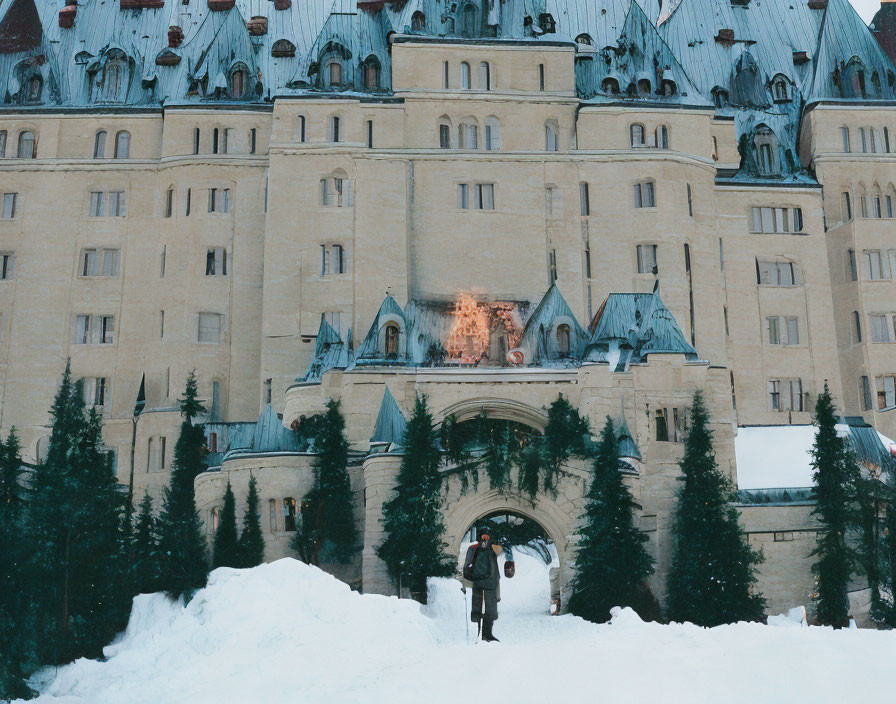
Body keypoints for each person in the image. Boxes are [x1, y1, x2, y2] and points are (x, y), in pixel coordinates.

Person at [462, 529, 515, 642]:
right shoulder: (493, 548)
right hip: (491, 583)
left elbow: (466, 567)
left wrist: (472, 578)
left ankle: (478, 633)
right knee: (490, 609)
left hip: (477, 583)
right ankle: (487, 634)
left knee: (477, 607)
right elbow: (504, 549)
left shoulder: (473, 548)